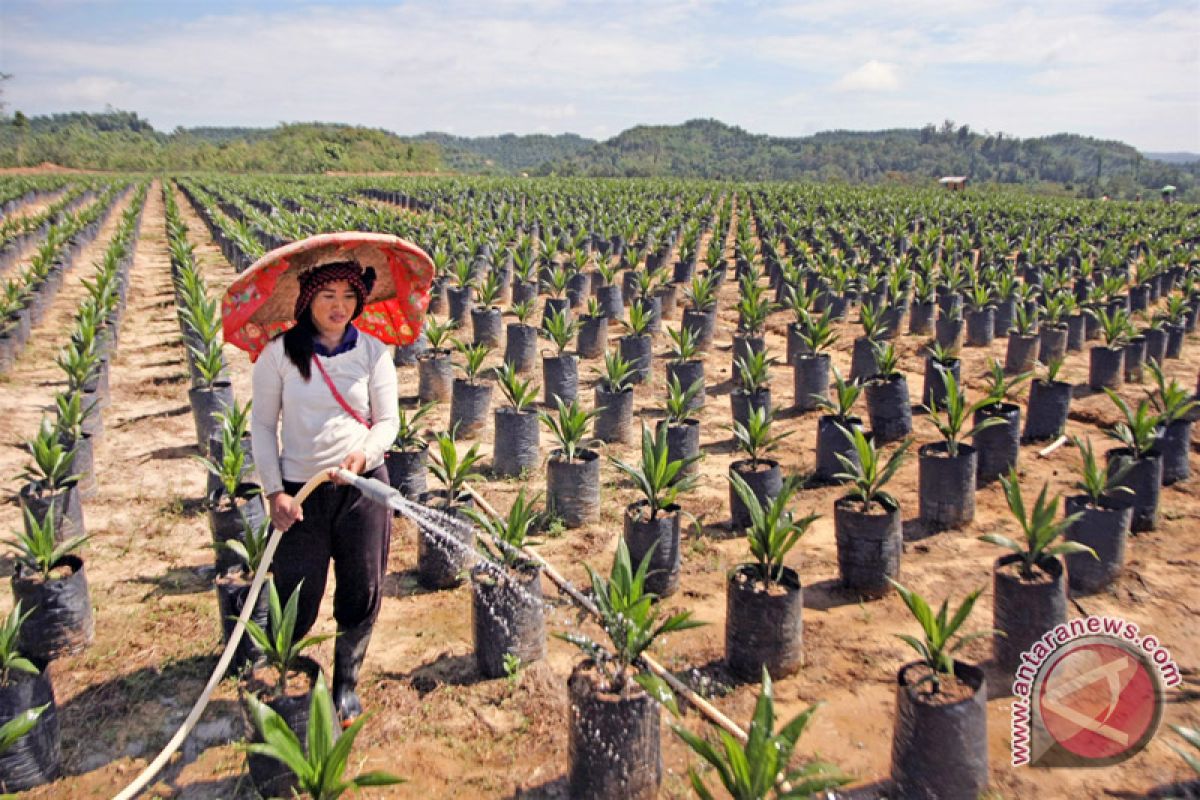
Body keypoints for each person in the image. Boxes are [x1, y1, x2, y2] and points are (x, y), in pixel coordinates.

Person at [250, 260, 399, 724]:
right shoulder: (279, 354)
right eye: (328, 295)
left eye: (349, 296)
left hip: (362, 487)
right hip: (300, 494)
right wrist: (274, 492)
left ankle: (345, 684)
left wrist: (363, 455)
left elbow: (389, 421)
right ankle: (286, 670)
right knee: (298, 589)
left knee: (362, 586)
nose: (340, 306)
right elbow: (260, 425)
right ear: (307, 300)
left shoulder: (373, 352)